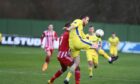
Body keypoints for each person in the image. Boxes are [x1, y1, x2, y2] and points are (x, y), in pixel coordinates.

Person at [64, 16, 98, 84]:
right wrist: (69, 28)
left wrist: (89, 38)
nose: (87, 22)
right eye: (87, 20)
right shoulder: (79, 21)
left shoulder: (81, 28)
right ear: (83, 19)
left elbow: (84, 37)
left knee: (76, 63)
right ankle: (109, 59)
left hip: (72, 46)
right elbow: (73, 25)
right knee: (95, 45)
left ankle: (67, 78)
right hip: (77, 42)